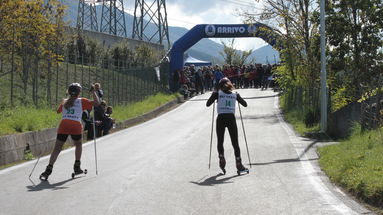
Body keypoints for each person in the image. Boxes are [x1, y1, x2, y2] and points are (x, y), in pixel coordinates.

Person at [40, 83, 100, 180]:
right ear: (79, 92)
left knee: (57, 149)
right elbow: (97, 103)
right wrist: (93, 92)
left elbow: (58, 111)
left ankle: (48, 170)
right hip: (75, 125)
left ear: (68, 92)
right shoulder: (82, 101)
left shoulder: (64, 101)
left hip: (64, 125)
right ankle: (77, 167)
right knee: (78, 145)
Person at [206, 77, 249, 175]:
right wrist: (238, 97)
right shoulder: (235, 94)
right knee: (235, 142)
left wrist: (214, 95)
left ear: (220, 86)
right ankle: (239, 163)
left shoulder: (217, 94)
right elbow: (245, 104)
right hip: (231, 119)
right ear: (230, 85)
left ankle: (221, 157)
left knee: (220, 141)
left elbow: (208, 104)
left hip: (221, 119)